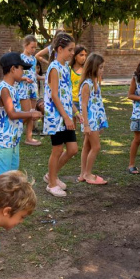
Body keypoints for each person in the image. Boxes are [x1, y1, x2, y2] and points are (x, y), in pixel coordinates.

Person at [0, 52, 43, 180]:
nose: (23, 72)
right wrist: (31, 113)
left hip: (13, 137)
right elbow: (12, 113)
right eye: (21, 69)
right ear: (13, 69)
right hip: (4, 139)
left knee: (11, 173)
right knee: (0, 174)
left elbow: (17, 114)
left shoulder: (13, 87)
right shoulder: (5, 89)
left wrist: (30, 115)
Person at [43, 32, 79, 197]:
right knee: (57, 150)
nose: (72, 53)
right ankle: (51, 184)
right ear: (59, 49)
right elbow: (55, 95)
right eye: (70, 50)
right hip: (56, 117)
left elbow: (66, 95)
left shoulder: (65, 67)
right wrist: (65, 117)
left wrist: (75, 112)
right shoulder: (54, 68)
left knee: (72, 149)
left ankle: (51, 175)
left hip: (66, 116)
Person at [77, 53, 109, 185]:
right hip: (90, 121)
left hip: (95, 120)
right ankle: (88, 174)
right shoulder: (87, 84)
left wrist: (101, 120)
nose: (102, 70)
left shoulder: (95, 82)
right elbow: (84, 105)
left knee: (87, 146)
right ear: (93, 67)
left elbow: (97, 103)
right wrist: (86, 125)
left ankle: (82, 174)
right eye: (100, 67)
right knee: (96, 147)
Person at [18, 34, 43, 146]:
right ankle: (14, 131)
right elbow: (16, 75)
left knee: (31, 114)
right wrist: (24, 79)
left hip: (33, 88)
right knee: (27, 113)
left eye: (35, 48)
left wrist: (44, 77)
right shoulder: (20, 58)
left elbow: (34, 75)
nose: (34, 50)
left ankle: (29, 137)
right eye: (32, 47)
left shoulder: (34, 59)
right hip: (23, 88)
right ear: (25, 45)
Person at [70, 45, 88, 123]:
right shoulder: (69, 69)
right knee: (72, 125)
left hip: (84, 101)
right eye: (81, 55)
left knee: (85, 124)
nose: (84, 57)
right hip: (73, 101)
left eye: (85, 55)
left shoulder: (86, 70)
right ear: (75, 56)